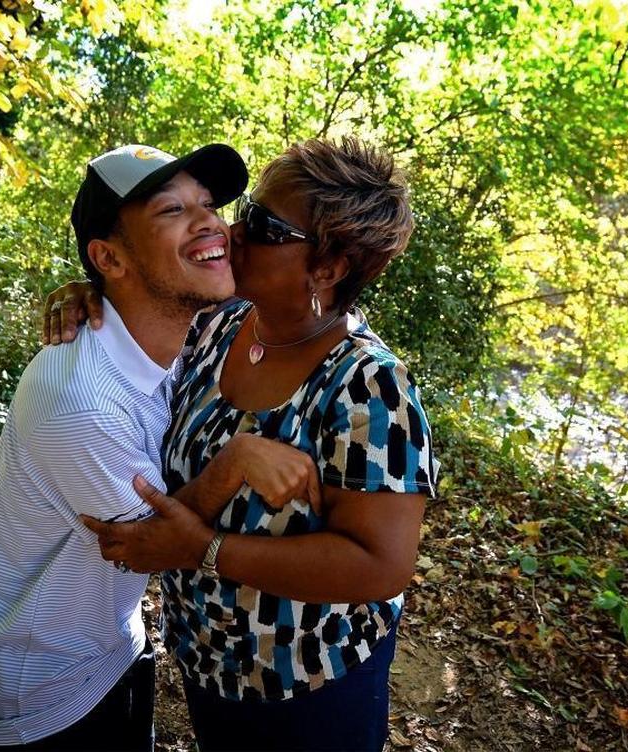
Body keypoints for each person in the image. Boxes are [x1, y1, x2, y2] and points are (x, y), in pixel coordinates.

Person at [45, 136, 438, 751]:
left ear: (328, 268)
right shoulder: (223, 320)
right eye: (246, 210)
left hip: (308, 687)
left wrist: (206, 549)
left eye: (262, 224)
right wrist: (92, 292)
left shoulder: (368, 387)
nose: (232, 230)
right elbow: (151, 291)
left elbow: (382, 565)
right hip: (208, 664)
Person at [0, 142, 321, 751]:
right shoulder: (81, 401)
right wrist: (236, 462)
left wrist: (96, 285)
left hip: (106, 644)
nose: (209, 222)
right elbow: (147, 546)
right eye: (172, 211)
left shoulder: (185, 328)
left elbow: (299, 299)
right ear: (109, 256)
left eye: (208, 204)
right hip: (35, 688)